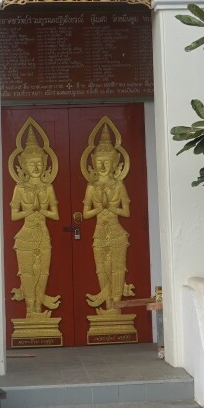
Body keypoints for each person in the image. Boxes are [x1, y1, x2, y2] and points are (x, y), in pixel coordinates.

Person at [9, 127, 61, 317]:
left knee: (43, 273)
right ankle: (31, 311)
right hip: (25, 236)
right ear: (23, 166)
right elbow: (14, 215)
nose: (36, 168)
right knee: (28, 274)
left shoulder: (47, 187)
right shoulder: (20, 188)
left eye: (39, 163)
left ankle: (38, 309)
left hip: (43, 235)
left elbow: (55, 215)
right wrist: (32, 209)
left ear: (45, 163)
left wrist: (43, 209)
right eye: (32, 164)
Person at [83, 124, 133, 312]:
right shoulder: (91, 187)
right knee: (102, 269)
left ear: (114, 163)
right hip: (99, 233)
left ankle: (117, 308)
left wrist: (110, 207)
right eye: (99, 162)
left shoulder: (119, 186)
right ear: (94, 163)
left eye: (107, 161)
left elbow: (126, 212)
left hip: (117, 232)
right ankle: (107, 305)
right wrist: (99, 209)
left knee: (118, 269)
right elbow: (86, 213)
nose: (103, 166)